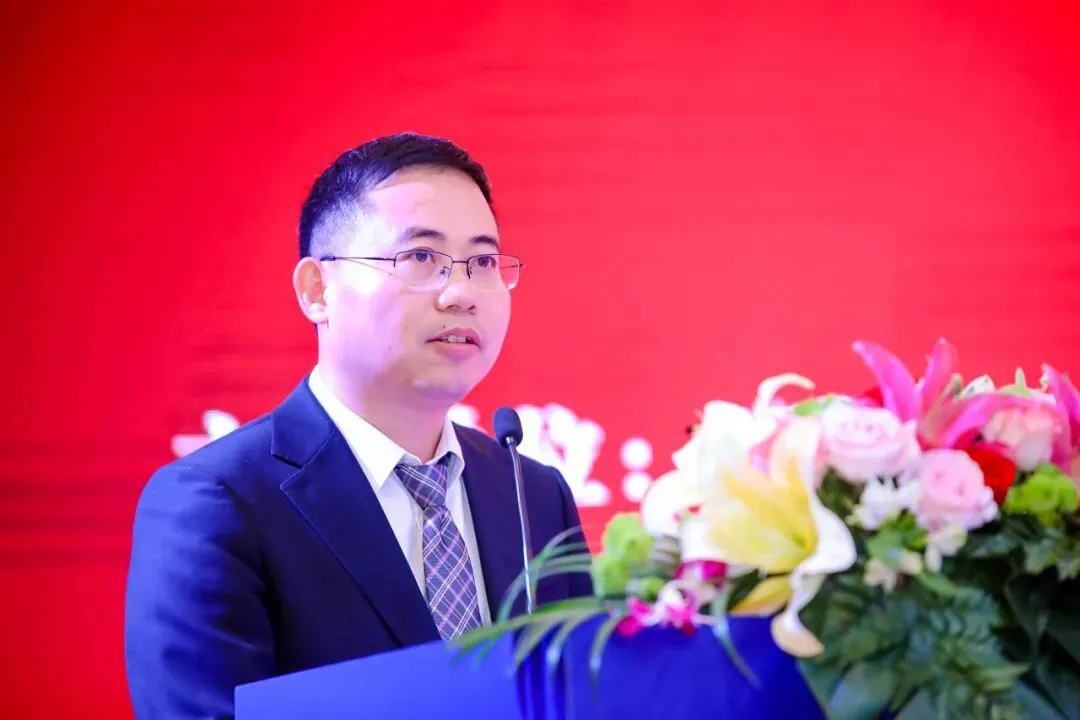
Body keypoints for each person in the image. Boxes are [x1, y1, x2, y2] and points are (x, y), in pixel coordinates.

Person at [123, 133, 593, 719]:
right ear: (317, 291)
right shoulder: (217, 502)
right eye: (421, 257)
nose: (461, 292)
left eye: (482, 262)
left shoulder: (534, 494)